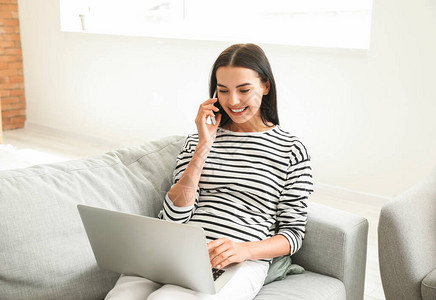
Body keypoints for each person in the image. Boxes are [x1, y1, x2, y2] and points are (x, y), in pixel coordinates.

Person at [105, 43, 313, 300]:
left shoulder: (291, 150)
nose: (232, 101)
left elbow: (293, 234)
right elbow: (173, 217)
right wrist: (204, 145)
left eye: (244, 90)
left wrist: (244, 250)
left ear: (265, 86)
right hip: (178, 248)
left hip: (238, 260)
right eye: (223, 90)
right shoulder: (198, 140)